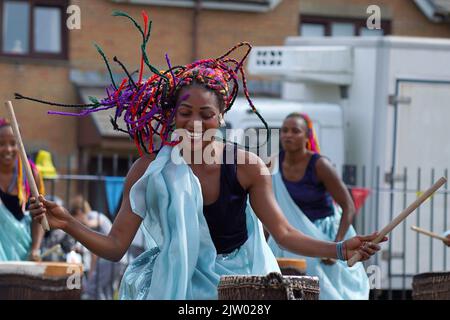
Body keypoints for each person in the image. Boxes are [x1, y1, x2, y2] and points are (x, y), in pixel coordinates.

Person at [26, 11, 386, 300]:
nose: (195, 123)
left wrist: (339, 249)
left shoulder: (247, 167)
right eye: (185, 113)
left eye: (206, 114)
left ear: (222, 117)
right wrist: (68, 223)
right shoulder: (148, 170)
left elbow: (284, 232)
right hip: (172, 285)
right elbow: (116, 246)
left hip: (242, 290)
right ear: (171, 117)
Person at [267, 112, 371, 299]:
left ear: (307, 136)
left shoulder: (320, 165)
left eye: (295, 131)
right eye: (284, 130)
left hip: (324, 233)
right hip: (287, 236)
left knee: (323, 291)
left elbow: (348, 206)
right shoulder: (273, 163)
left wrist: (336, 245)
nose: (288, 135)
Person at [0, 118, 45, 261]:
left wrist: (35, 250)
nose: (8, 149)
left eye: (13, 143)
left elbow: (39, 216)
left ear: (20, 144)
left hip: (22, 253)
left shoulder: (30, 174)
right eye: (1, 144)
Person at [69, 195, 126, 300]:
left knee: (93, 289)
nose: (77, 223)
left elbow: (97, 222)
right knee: (107, 291)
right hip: (119, 259)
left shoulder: (92, 216)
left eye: (75, 219)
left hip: (109, 260)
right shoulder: (94, 216)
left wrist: (91, 273)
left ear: (79, 212)